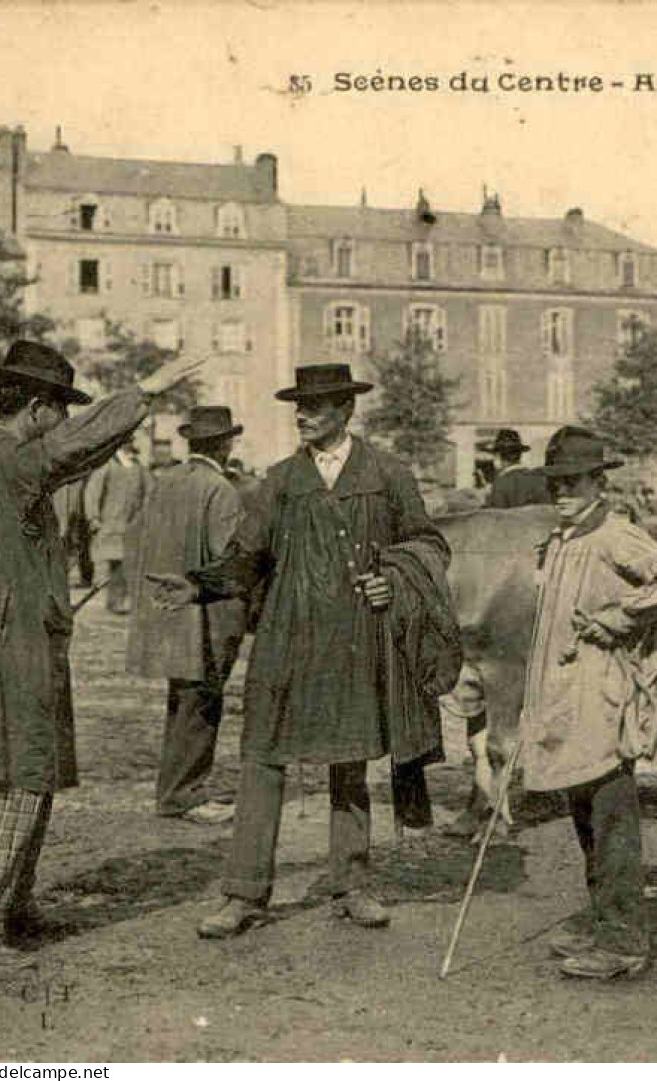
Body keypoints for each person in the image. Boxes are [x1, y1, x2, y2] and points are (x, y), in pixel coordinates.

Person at [150, 363, 459, 941]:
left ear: (346, 410)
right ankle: (243, 894)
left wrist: (394, 577)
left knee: (351, 762)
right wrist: (199, 584)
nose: (303, 414)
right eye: (299, 405)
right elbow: (248, 557)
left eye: (315, 405)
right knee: (263, 761)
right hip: (285, 640)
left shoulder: (387, 473)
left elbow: (428, 544)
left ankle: (353, 885)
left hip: (354, 638)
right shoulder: (281, 479)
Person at [0, 340, 201, 967]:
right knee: (12, 776)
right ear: (36, 408)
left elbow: (71, 458)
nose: (63, 421)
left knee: (34, 771)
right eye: (59, 408)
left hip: (16, 633)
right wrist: (144, 394)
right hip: (11, 641)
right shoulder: (1, 460)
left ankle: (10, 904)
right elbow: (70, 451)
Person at [520, 426, 657, 979]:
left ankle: (624, 939)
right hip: (567, 696)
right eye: (555, 483)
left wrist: (621, 618)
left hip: (604, 692)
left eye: (572, 482)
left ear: (598, 481)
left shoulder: (614, 535)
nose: (562, 492)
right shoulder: (564, 538)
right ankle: (603, 917)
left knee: (611, 812)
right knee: (584, 808)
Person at [126, 406, 250, 825]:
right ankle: (185, 794)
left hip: (167, 609)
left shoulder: (165, 481)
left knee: (181, 703)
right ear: (225, 443)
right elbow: (227, 561)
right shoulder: (221, 489)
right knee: (202, 704)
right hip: (207, 613)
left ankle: (173, 789)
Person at [84, 441, 147, 614]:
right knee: (116, 565)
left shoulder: (137, 467)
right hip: (111, 523)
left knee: (127, 564)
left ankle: (122, 600)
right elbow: (92, 492)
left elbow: (147, 493)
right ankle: (115, 601)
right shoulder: (108, 465)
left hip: (132, 524)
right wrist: (93, 517)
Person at [482, 428, 551, 509]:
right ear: (520, 455)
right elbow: (547, 511)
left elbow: (495, 517)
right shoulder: (538, 479)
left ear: (498, 457)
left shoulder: (500, 483)